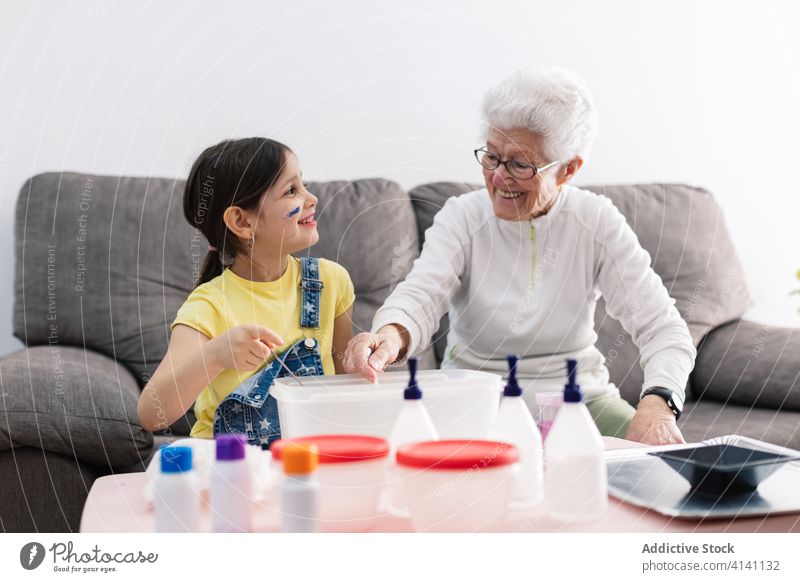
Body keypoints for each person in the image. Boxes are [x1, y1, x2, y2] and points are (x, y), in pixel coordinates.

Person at [343, 68, 696, 445]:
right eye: (492, 156)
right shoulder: (463, 217)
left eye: (520, 164)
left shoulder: (596, 220)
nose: (498, 177)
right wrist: (390, 335)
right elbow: (421, 295)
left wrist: (659, 403)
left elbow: (664, 327)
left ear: (568, 169)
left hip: (580, 402)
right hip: (476, 401)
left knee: (658, 464)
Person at [137, 137, 355, 447]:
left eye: (302, 184)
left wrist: (366, 355)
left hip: (308, 460)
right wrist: (214, 356)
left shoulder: (332, 282)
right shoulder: (209, 304)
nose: (311, 198)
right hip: (229, 468)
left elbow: (347, 381)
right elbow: (151, 414)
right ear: (242, 221)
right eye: (291, 190)